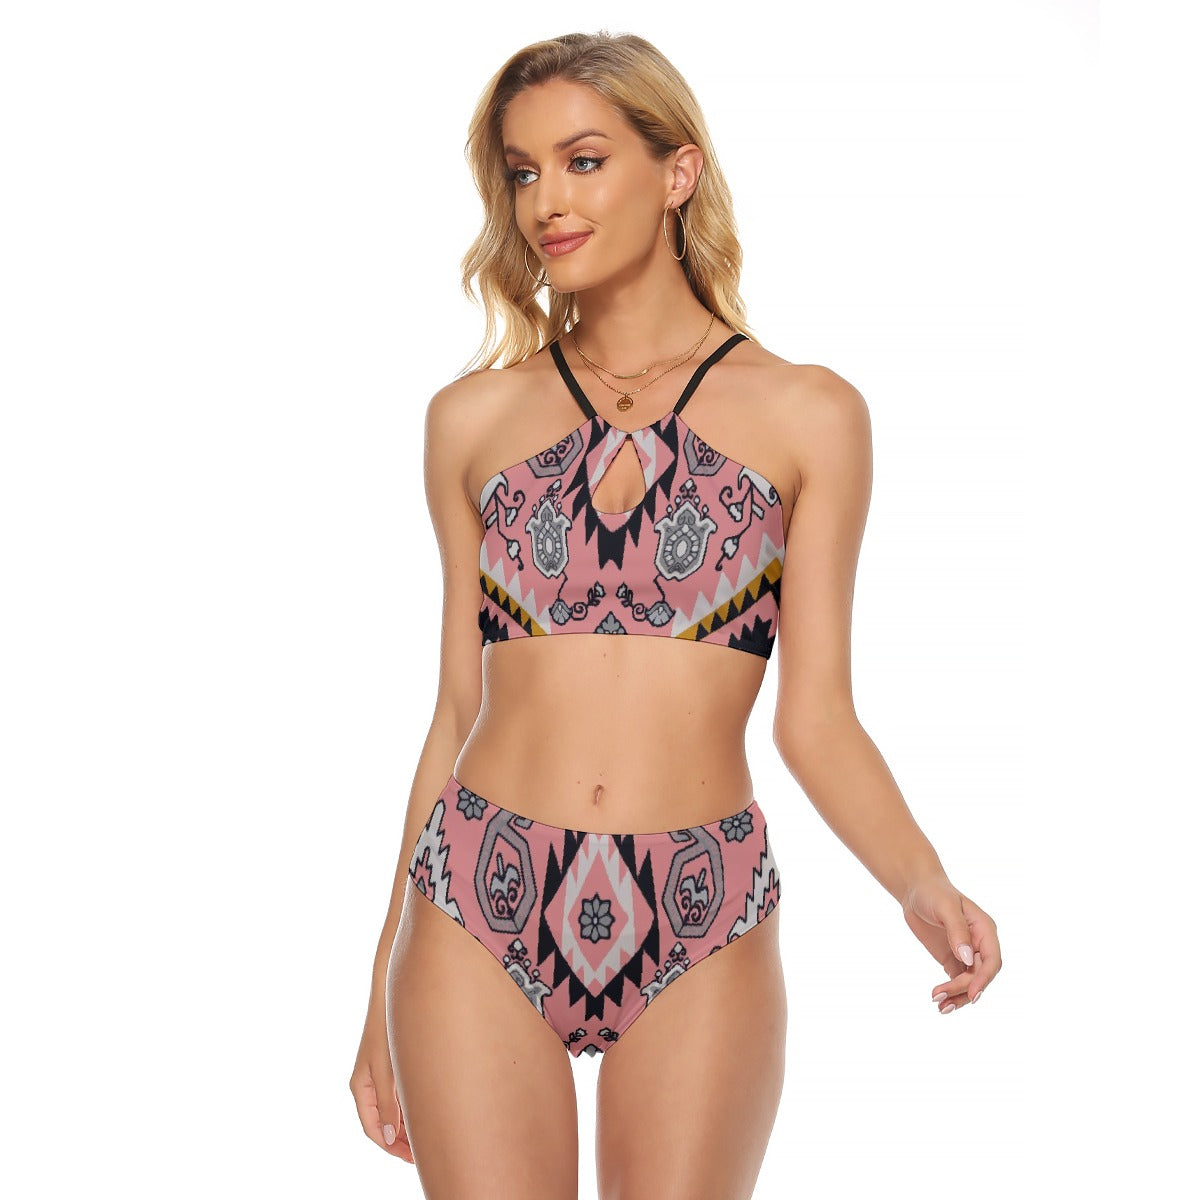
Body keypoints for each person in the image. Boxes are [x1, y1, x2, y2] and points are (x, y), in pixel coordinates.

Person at [349, 29, 1002, 1199]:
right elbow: (455, 709)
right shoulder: (470, 421)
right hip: (478, 894)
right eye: (523, 171)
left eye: (584, 160)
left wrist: (922, 881)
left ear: (677, 171)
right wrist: (374, 993)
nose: (547, 201)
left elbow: (817, 718)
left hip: (702, 905)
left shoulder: (809, 415)